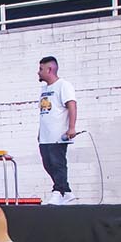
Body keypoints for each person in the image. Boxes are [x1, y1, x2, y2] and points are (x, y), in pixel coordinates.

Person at [36, 56, 79, 204]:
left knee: (57, 163)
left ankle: (58, 191)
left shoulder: (63, 85)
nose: (38, 72)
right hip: (45, 136)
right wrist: (39, 133)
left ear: (49, 69)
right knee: (47, 164)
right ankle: (66, 192)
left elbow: (71, 105)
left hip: (58, 135)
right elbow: (44, 114)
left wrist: (71, 127)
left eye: (41, 69)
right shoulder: (44, 89)